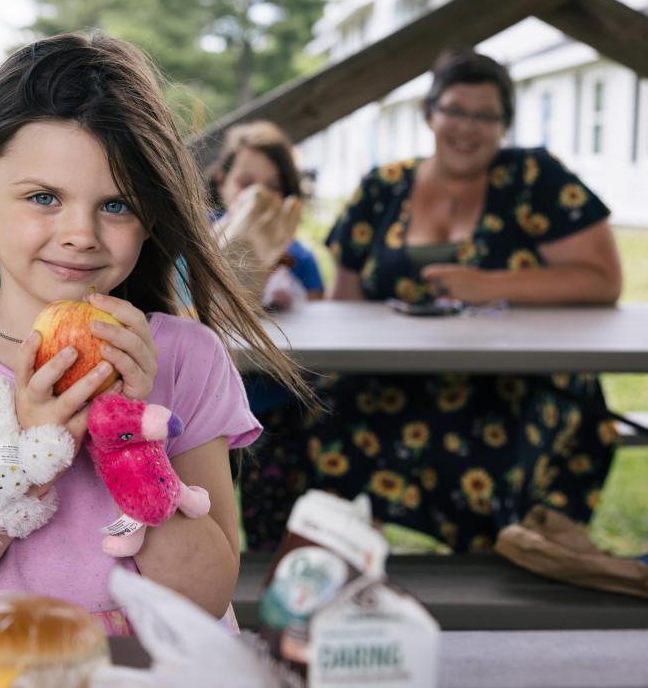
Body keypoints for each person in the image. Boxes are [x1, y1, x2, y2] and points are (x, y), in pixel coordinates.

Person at [0, 32, 309, 635]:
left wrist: (128, 440)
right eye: (43, 198)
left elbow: (206, 596)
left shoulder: (186, 358)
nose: (81, 233)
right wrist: (19, 461)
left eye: (116, 205)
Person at [240, 49, 623, 553]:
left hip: (518, 380)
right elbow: (345, 306)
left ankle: (495, 588)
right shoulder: (384, 187)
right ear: (430, 113)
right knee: (300, 427)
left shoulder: (534, 180)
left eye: (486, 116)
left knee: (489, 452)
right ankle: (319, 583)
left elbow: (603, 279)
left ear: (505, 125)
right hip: (396, 379)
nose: (468, 127)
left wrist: (490, 285)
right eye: (456, 110)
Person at [207, 121, 324, 310]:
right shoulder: (193, 242)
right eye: (246, 183)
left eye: (273, 186)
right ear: (222, 182)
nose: (258, 195)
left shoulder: (301, 261)